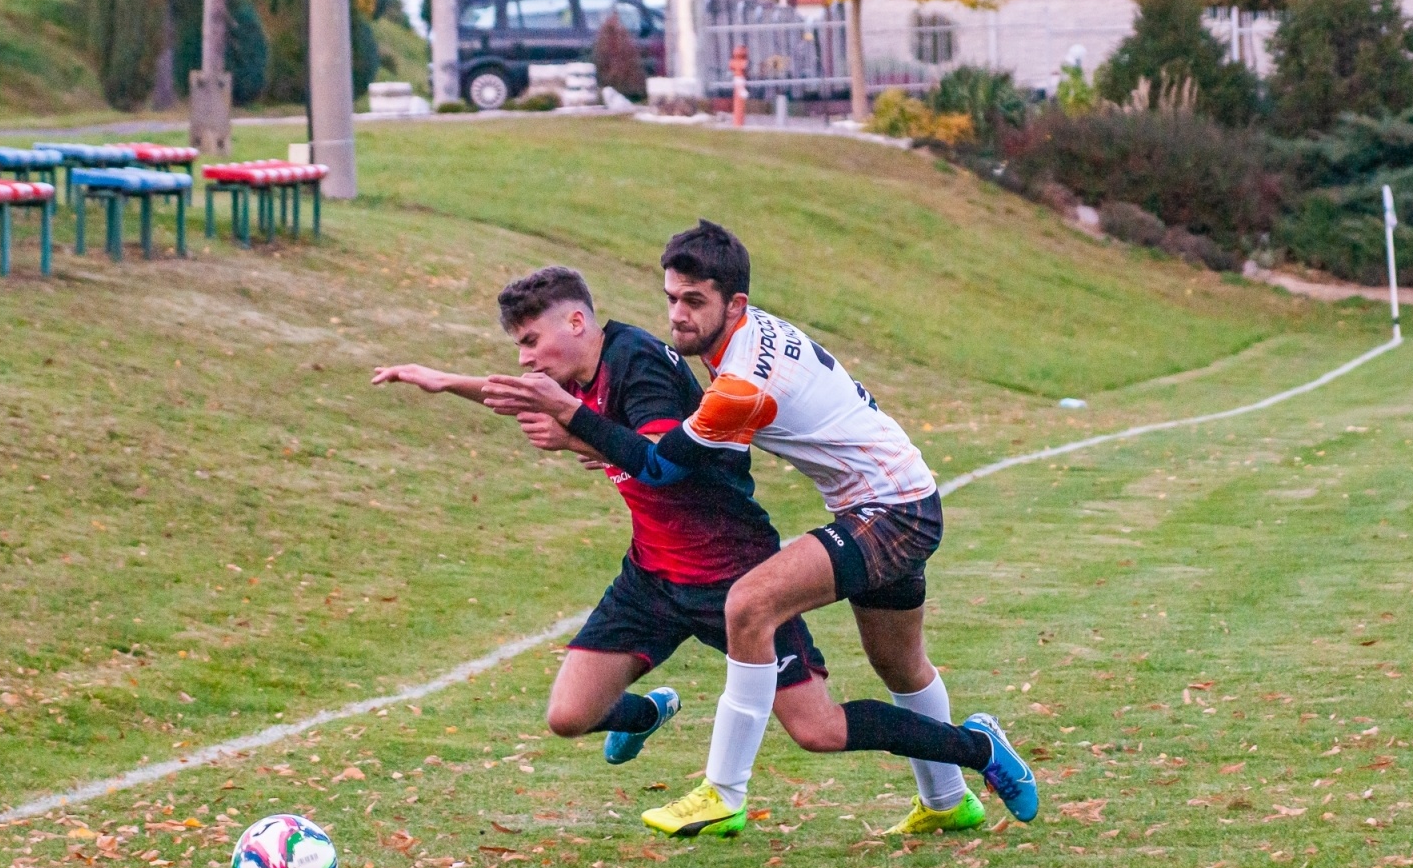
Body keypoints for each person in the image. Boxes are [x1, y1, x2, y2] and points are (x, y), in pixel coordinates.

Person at [378, 266, 997, 831]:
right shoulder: (575, 373)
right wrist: (444, 382)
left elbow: (659, 465)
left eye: (531, 341)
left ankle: (976, 749)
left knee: (818, 729)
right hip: (651, 576)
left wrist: (575, 437)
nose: (525, 359)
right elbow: (532, 398)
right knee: (568, 716)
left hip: (729, 570)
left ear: (577, 322)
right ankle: (648, 715)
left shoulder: (638, 366)